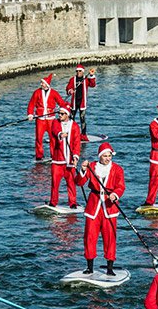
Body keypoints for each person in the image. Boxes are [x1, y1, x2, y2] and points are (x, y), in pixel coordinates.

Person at [75, 143, 125, 275]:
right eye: (105, 156)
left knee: (110, 238)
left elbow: (121, 186)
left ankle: (109, 268)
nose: (108, 158)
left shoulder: (117, 169)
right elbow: (79, 182)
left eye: (109, 156)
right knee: (90, 236)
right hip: (94, 207)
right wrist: (83, 170)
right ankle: (89, 267)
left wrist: (115, 194)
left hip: (109, 207)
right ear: (100, 156)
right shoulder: (92, 167)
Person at [28, 74, 66, 160]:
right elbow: (31, 104)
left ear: (47, 84)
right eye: (41, 83)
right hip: (40, 119)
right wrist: (30, 114)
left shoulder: (54, 93)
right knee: (38, 138)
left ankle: (54, 155)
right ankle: (39, 156)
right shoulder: (36, 92)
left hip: (50, 119)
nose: (41, 84)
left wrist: (63, 110)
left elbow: (61, 103)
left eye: (43, 83)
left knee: (53, 138)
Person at [49, 104, 81, 208]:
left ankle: (72, 203)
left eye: (62, 114)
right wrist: (60, 134)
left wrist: (75, 157)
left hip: (70, 160)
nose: (59, 115)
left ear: (67, 114)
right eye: (59, 113)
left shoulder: (75, 126)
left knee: (71, 183)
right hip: (58, 160)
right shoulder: (55, 122)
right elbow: (55, 130)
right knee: (55, 183)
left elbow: (77, 143)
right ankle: (53, 202)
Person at [65, 65, 97, 137]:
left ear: (82, 72)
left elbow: (93, 84)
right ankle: (70, 133)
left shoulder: (86, 79)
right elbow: (68, 88)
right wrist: (70, 91)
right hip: (74, 103)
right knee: (71, 119)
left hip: (82, 103)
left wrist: (92, 75)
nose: (78, 72)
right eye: (77, 71)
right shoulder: (72, 79)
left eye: (80, 71)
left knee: (82, 119)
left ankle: (83, 134)